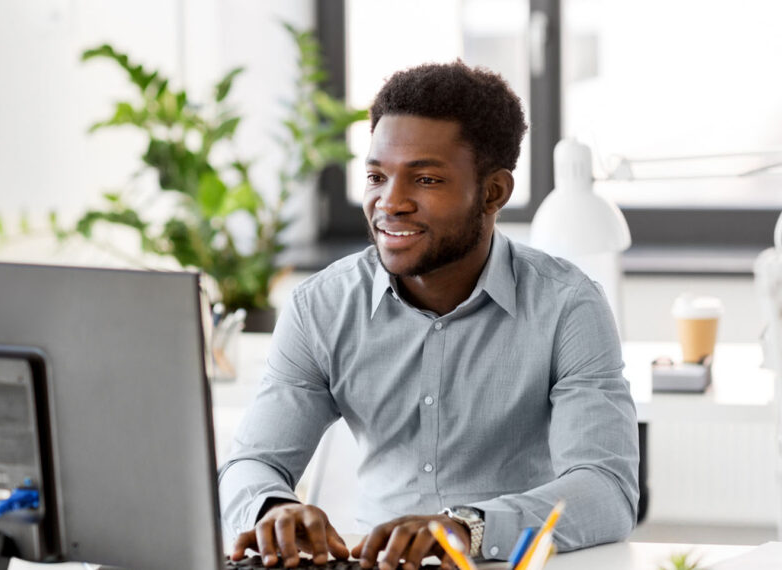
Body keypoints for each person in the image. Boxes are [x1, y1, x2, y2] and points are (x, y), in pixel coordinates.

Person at [219, 60, 639, 570]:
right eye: (376, 176)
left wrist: (466, 527)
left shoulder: (568, 306)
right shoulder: (321, 306)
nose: (389, 203)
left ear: (493, 192)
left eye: (425, 179)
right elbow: (251, 463)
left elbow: (606, 489)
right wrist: (272, 508)